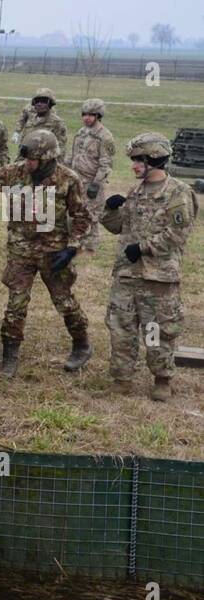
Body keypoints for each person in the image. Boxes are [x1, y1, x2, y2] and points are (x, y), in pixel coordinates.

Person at [0, 129, 92, 377]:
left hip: (54, 253)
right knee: (15, 304)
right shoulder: (14, 172)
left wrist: (72, 248)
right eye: (27, 158)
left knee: (64, 302)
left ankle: (81, 344)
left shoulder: (68, 179)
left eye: (33, 160)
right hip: (21, 250)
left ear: (48, 158)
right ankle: (10, 354)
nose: (28, 164)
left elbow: (82, 217)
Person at [101, 132, 197, 401]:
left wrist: (143, 248)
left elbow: (178, 234)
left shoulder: (178, 192)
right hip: (127, 276)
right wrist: (110, 211)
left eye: (136, 160)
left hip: (158, 279)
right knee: (121, 329)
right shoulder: (136, 191)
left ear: (153, 160)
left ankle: (162, 378)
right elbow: (119, 227)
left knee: (156, 332)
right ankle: (122, 378)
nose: (133, 165)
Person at [69, 98, 116, 252]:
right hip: (77, 179)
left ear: (98, 116)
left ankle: (90, 247)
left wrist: (96, 184)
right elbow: (74, 154)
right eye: (84, 114)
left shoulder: (105, 137)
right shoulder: (81, 132)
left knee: (92, 215)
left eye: (91, 115)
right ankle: (77, 242)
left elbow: (106, 164)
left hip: (92, 181)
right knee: (77, 211)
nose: (86, 118)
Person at [15, 87, 66, 160]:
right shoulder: (31, 121)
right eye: (37, 101)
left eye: (43, 101)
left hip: (44, 166)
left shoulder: (57, 123)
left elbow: (60, 150)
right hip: (26, 163)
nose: (39, 104)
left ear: (50, 103)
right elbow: (23, 145)